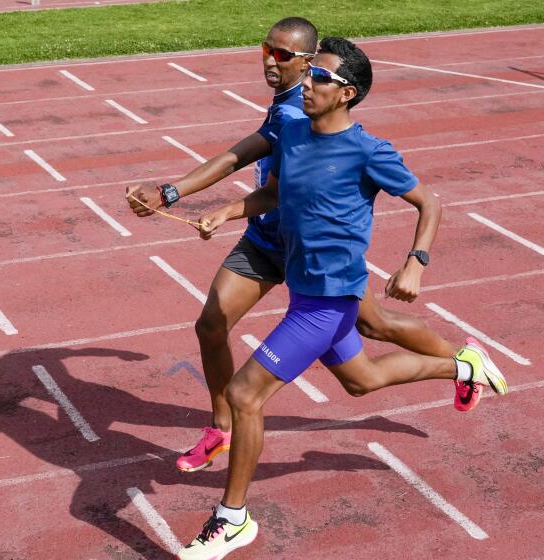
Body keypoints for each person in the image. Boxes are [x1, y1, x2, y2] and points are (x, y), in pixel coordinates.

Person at [175, 37, 508, 560]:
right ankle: (463, 367)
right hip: (304, 289)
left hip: (331, 301)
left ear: (346, 92)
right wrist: (230, 212)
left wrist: (414, 264)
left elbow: (429, 204)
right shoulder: (292, 133)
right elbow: (275, 193)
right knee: (363, 380)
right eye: (308, 75)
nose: (306, 83)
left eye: (319, 78)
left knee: (244, 396)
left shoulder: (370, 152)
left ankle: (232, 520)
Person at [127, 18, 476, 476]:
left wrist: (416, 261)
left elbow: (242, 155)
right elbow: (249, 162)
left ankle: (462, 361)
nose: (271, 61)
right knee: (213, 324)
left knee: (374, 335)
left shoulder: (306, 114)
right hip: (267, 241)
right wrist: (200, 202)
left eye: (285, 56)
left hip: (312, 252)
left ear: (314, 67)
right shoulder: (290, 109)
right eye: (266, 50)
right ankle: (222, 429)